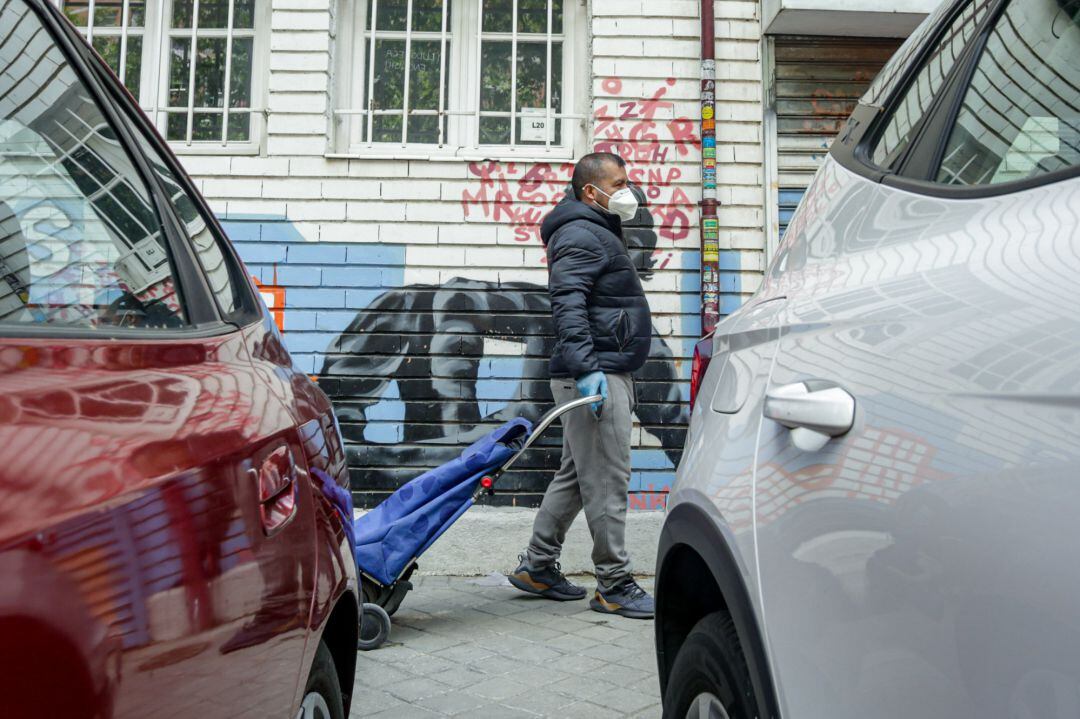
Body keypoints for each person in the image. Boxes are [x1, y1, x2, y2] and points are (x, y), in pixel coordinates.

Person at [507, 152, 655, 619]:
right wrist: (588, 368)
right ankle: (614, 583)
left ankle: (537, 565)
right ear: (592, 191)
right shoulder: (581, 233)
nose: (629, 191)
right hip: (594, 373)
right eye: (620, 182)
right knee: (609, 476)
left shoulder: (595, 229)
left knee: (577, 474)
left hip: (600, 367)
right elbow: (567, 302)